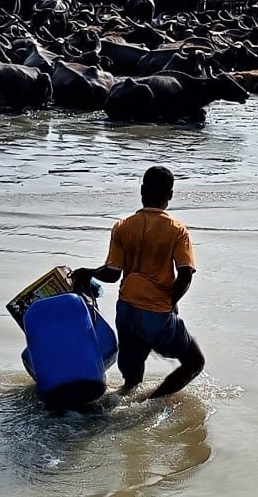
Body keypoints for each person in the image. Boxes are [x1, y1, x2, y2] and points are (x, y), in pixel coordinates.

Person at [71, 165, 205, 400]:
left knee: (132, 379)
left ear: (142, 191)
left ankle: (123, 400)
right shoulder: (177, 230)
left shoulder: (123, 226)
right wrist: (171, 301)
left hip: (126, 311)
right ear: (170, 195)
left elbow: (112, 273)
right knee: (194, 363)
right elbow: (185, 274)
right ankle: (149, 403)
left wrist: (87, 272)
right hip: (156, 313)